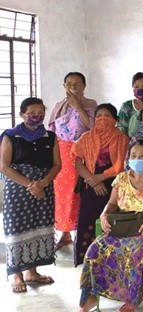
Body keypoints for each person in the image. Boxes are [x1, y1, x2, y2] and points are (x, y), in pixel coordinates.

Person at [71, 140, 143, 312]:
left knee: (135, 250)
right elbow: (112, 203)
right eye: (134, 156)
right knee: (94, 250)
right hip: (122, 228)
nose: (137, 160)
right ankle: (88, 299)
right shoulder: (121, 178)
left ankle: (134, 296)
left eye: (142, 156)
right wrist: (104, 214)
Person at [1, 97, 61, 293]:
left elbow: (57, 165)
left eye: (40, 113)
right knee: (17, 228)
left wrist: (42, 183)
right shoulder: (10, 136)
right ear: (22, 114)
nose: (37, 116)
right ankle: (17, 275)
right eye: (32, 113)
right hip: (19, 190)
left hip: (43, 190)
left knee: (38, 227)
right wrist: (30, 185)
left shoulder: (50, 137)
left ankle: (32, 272)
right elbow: (4, 166)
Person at [71, 104, 130, 266]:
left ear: (115, 120)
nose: (102, 119)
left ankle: (112, 260)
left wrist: (101, 177)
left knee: (112, 222)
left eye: (107, 115)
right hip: (90, 184)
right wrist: (93, 180)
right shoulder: (86, 137)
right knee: (88, 220)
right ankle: (88, 260)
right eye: (99, 116)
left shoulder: (121, 139)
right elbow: (77, 162)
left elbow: (121, 165)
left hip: (114, 184)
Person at [48, 72, 97, 250]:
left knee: (80, 192)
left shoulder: (91, 104)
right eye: (69, 83)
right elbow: (51, 129)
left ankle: (82, 233)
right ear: (64, 86)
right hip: (60, 153)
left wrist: (78, 106)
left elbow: (92, 127)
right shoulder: (59, 105)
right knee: (62, 194)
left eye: (77, 83)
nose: (73, 87)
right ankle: (64, 233)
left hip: (82, 152)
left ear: (84, 86)